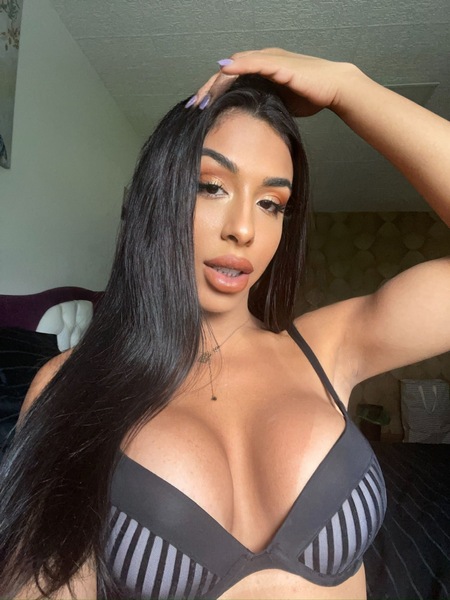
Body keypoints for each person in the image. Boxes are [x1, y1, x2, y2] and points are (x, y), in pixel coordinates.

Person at [1, 48, 449, 600]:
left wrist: (348, 88)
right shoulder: (71, 385)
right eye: (212, 186)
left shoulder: (330, 348)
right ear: (160, 195)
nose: (244, 229)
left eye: (271, 203)